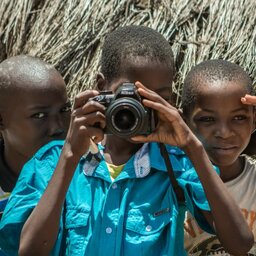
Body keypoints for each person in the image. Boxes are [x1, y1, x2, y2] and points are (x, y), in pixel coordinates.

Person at [0, 26, 253, 256]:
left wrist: (191, 146)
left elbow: (240, 244)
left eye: (155, 98)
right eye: (130, 96)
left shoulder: (178, 164)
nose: (142, 109)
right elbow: (29, 251)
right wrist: (69, 156)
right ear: (101, 85)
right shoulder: (52, 161)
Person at [182, 59, 256, 255]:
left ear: (254, 120)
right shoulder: (171, 183)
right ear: (184, 123)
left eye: (239, 117)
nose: (224, 132)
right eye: (207, 119)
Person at [0, 55, 71, 218]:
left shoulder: (88, 173)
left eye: (64, 110)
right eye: (39, 115)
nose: (58, 127)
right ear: (2, 121)